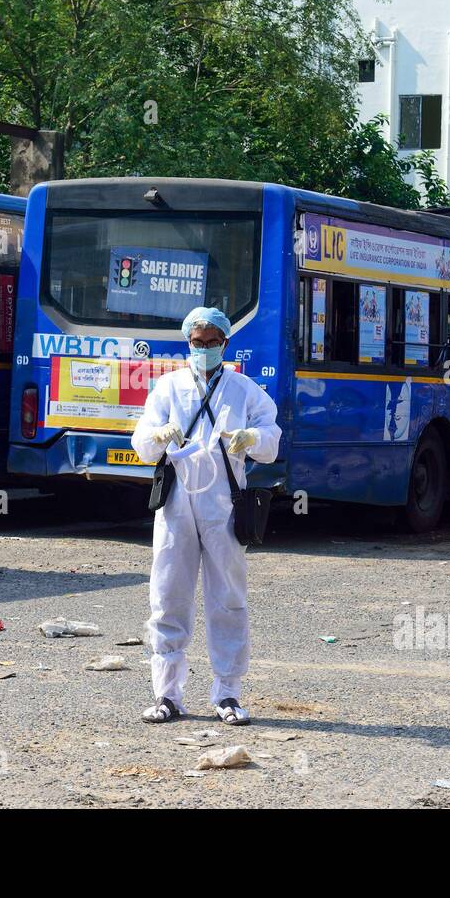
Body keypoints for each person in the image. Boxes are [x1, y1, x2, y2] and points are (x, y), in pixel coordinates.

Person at [131, 306, 281, 726]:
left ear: (226, 344)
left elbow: (271, 438)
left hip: (224, 504)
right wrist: (158, 436)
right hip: (177, 502)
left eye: (213, 342)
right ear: (188, 343)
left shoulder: (244, 389)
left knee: (228, 599)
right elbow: (143, 441)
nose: (204, 349)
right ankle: (167, 694)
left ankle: (228, 694)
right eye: (197, 343)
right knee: (167, 596)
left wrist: (252, 437)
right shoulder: (168, 387)